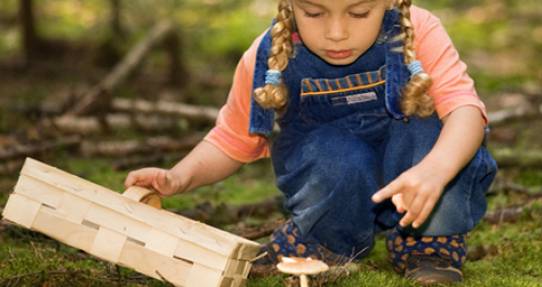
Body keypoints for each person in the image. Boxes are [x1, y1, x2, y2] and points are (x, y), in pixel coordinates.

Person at [124, 0, 497, 284]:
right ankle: (328, 242)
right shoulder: (269, 57)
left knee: (437, 133)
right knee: (335, 155)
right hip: (337, 179)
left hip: (418, 177)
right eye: (315, 13)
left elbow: (465, 110)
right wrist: (178, 178)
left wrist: (434, 170)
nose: (336, 32)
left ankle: (427, 243)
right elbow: (230, 139)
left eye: (359, 12)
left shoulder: (417, 30)